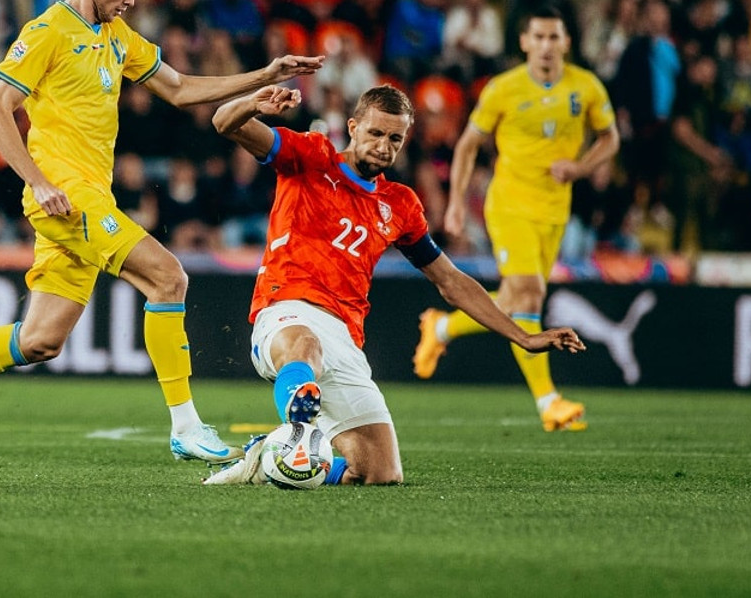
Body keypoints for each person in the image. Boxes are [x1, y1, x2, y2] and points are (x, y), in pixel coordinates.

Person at [0, 0, 323, 463]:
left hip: (87, 201)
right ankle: (186, 427)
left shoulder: (117, 36)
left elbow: (179, 89)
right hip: (64, 197)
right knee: (168, 277)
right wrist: (38, 181)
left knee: (40, 340)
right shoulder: (47, 32)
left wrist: (263, 76)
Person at [203, 85, 585, 486]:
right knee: (306, 345)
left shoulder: (399, 204)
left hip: (344, 334)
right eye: (375, 133)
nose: (384, 146)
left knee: (379, 472)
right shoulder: (310, 156)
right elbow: (223, 122)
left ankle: (267, 458)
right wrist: (253, 103)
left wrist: (523, 337)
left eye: (395, 138)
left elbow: (450, 281)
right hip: (286, 311)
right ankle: (298, 428)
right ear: (353, 127)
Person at [415, 7, 619, 432]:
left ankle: (443, 327)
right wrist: (456, 204)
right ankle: (549, 402)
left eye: (554, 37)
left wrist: (580, 168)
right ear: (524, 42)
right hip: (509, 205)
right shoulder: (503, 89)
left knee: (514, 300)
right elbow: (468, 145)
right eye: (538, 37)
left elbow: (610, 138)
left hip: (554, 211)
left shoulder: (586, 86)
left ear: (566, 42)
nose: (546, 46)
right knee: (528, 296)